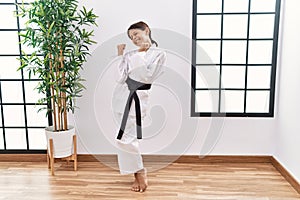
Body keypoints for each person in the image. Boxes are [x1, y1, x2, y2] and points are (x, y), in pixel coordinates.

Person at [113, 21, 166, 193]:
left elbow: (146, 77)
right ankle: (137, 172)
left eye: (136, 34)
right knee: (125, 138)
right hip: (123, 97)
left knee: (126, 138)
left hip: (139, 99)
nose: (134, 38)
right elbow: (120, 78)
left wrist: (141, 54)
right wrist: (120, 55)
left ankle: (140, 172)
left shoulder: (159, 54)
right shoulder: (130, 54)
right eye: (131, 37)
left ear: (147, 30)